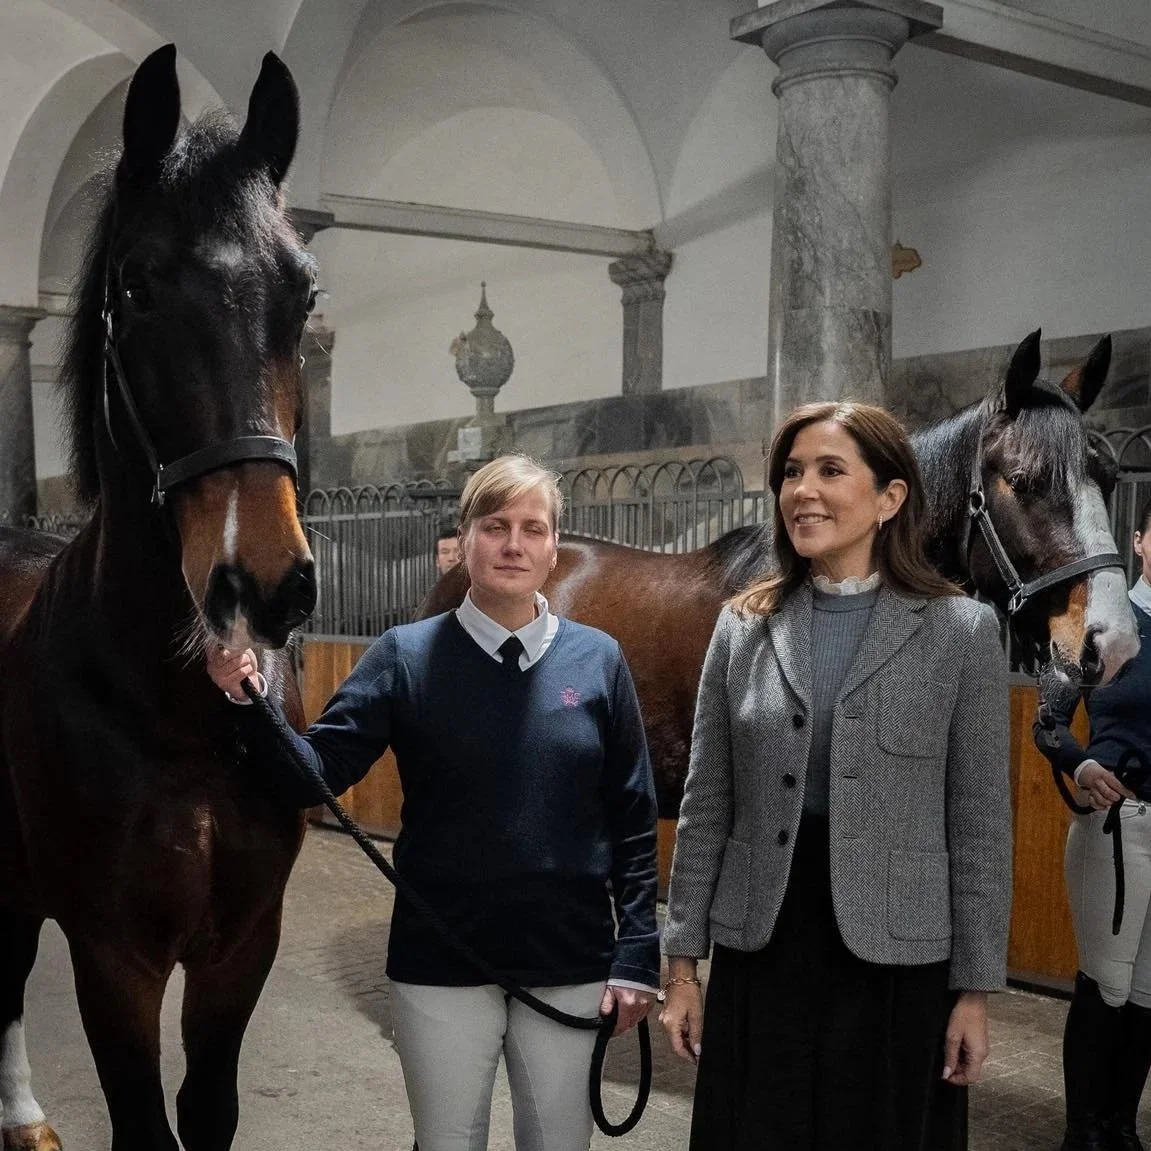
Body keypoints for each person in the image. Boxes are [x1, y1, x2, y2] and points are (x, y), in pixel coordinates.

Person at [207, 454, 659, 1151]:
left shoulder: (597, 659)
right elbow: (316, 773)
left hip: (568, 957)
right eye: (495, 524)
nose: (513, 543)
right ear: (464, 537)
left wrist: (636, 952)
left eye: (533, 528)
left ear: (553, 546)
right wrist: (251, 702)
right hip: (440, 956)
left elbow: (631, 815)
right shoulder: (404, 656)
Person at [659, 400, 1012, 1151]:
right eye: (790, 472)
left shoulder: (960, 632)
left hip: (898, 962)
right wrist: (682, 967)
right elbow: (706, 807)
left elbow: (979, 823)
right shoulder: (742, 626)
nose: (802, 491)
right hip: (765, 946)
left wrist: (974, 992)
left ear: (889, 498)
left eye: (828, 470)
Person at [1034, 495, 1151, 1151]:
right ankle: (1081, 1131)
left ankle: (1120, 1125)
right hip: (1115, 823)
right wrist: (1079, 767)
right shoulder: (1089, 620)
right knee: (1105, 984)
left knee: (1146, 991)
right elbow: (1045, 721)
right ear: (1137, 541)